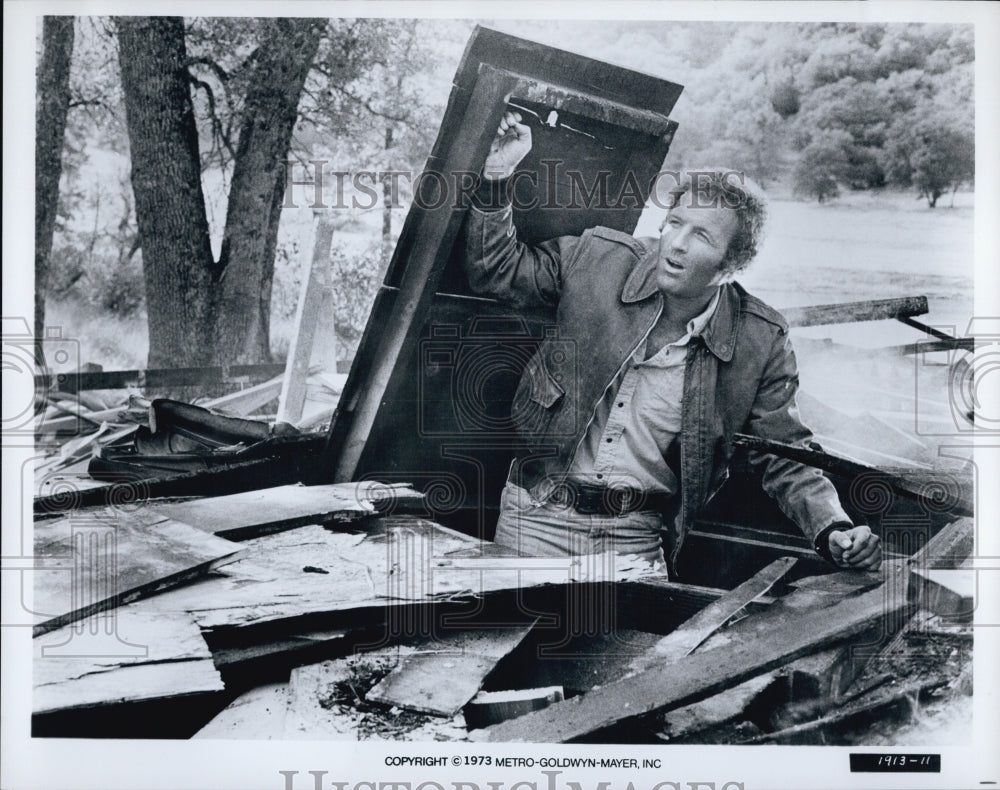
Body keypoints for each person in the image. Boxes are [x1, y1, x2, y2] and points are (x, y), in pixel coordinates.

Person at [461, 109, 881, 576]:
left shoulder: (761, 340)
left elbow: (786, 457)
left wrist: (832, 527)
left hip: (634, 539)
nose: (675, 244)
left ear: (733, 264)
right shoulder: (597, 257)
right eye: (674, 223)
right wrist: (497, 177)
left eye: (700, 235)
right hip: (533, 518)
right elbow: (495, 270)